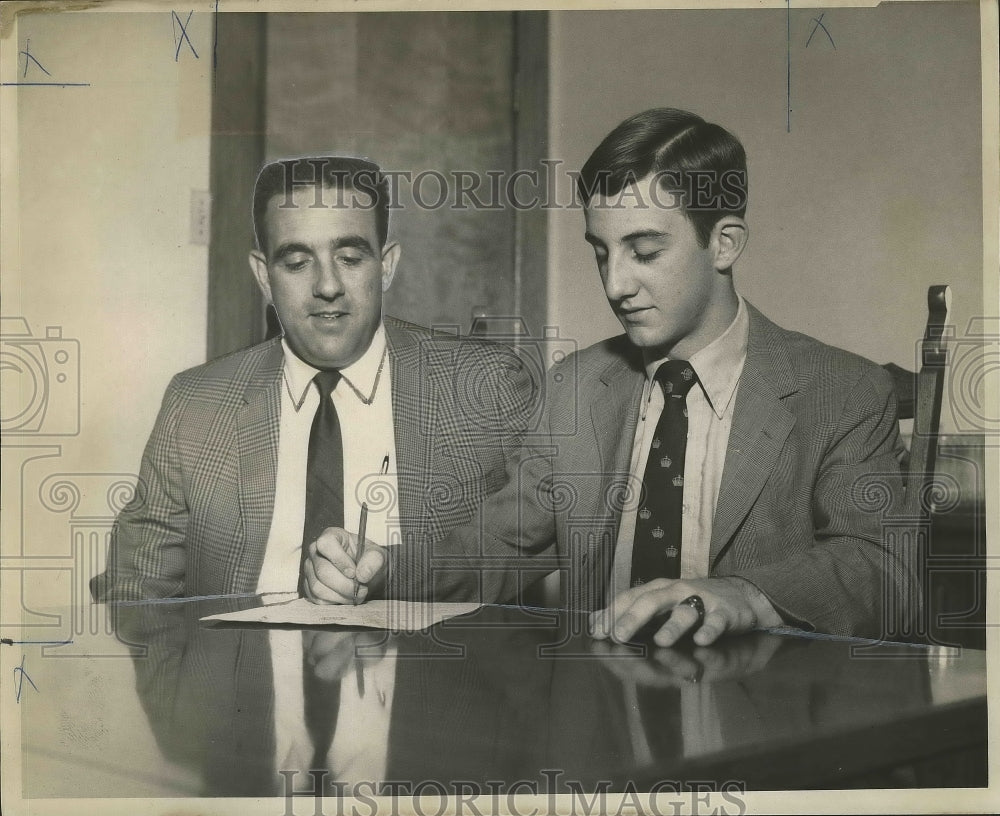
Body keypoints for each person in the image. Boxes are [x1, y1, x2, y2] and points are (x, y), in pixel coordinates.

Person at [293, 110, 918, 647]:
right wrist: (383, 570)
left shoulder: (843, 391)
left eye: (644, 252)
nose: (616, 284)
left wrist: (746, 596)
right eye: (601, 252)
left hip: (764, 725)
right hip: (599, 721)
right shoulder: (578, 386)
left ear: (723, 243)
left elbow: (883, 567)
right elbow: (504, 543)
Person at [92, 156, 533, 602]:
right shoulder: (196, 404)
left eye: (350, 257)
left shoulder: (485, 386)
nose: (327, 285)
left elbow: (525, 549)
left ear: (386, 265)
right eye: (298, 262)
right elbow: (135, 586)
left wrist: (395, 573)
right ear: (264, 275)